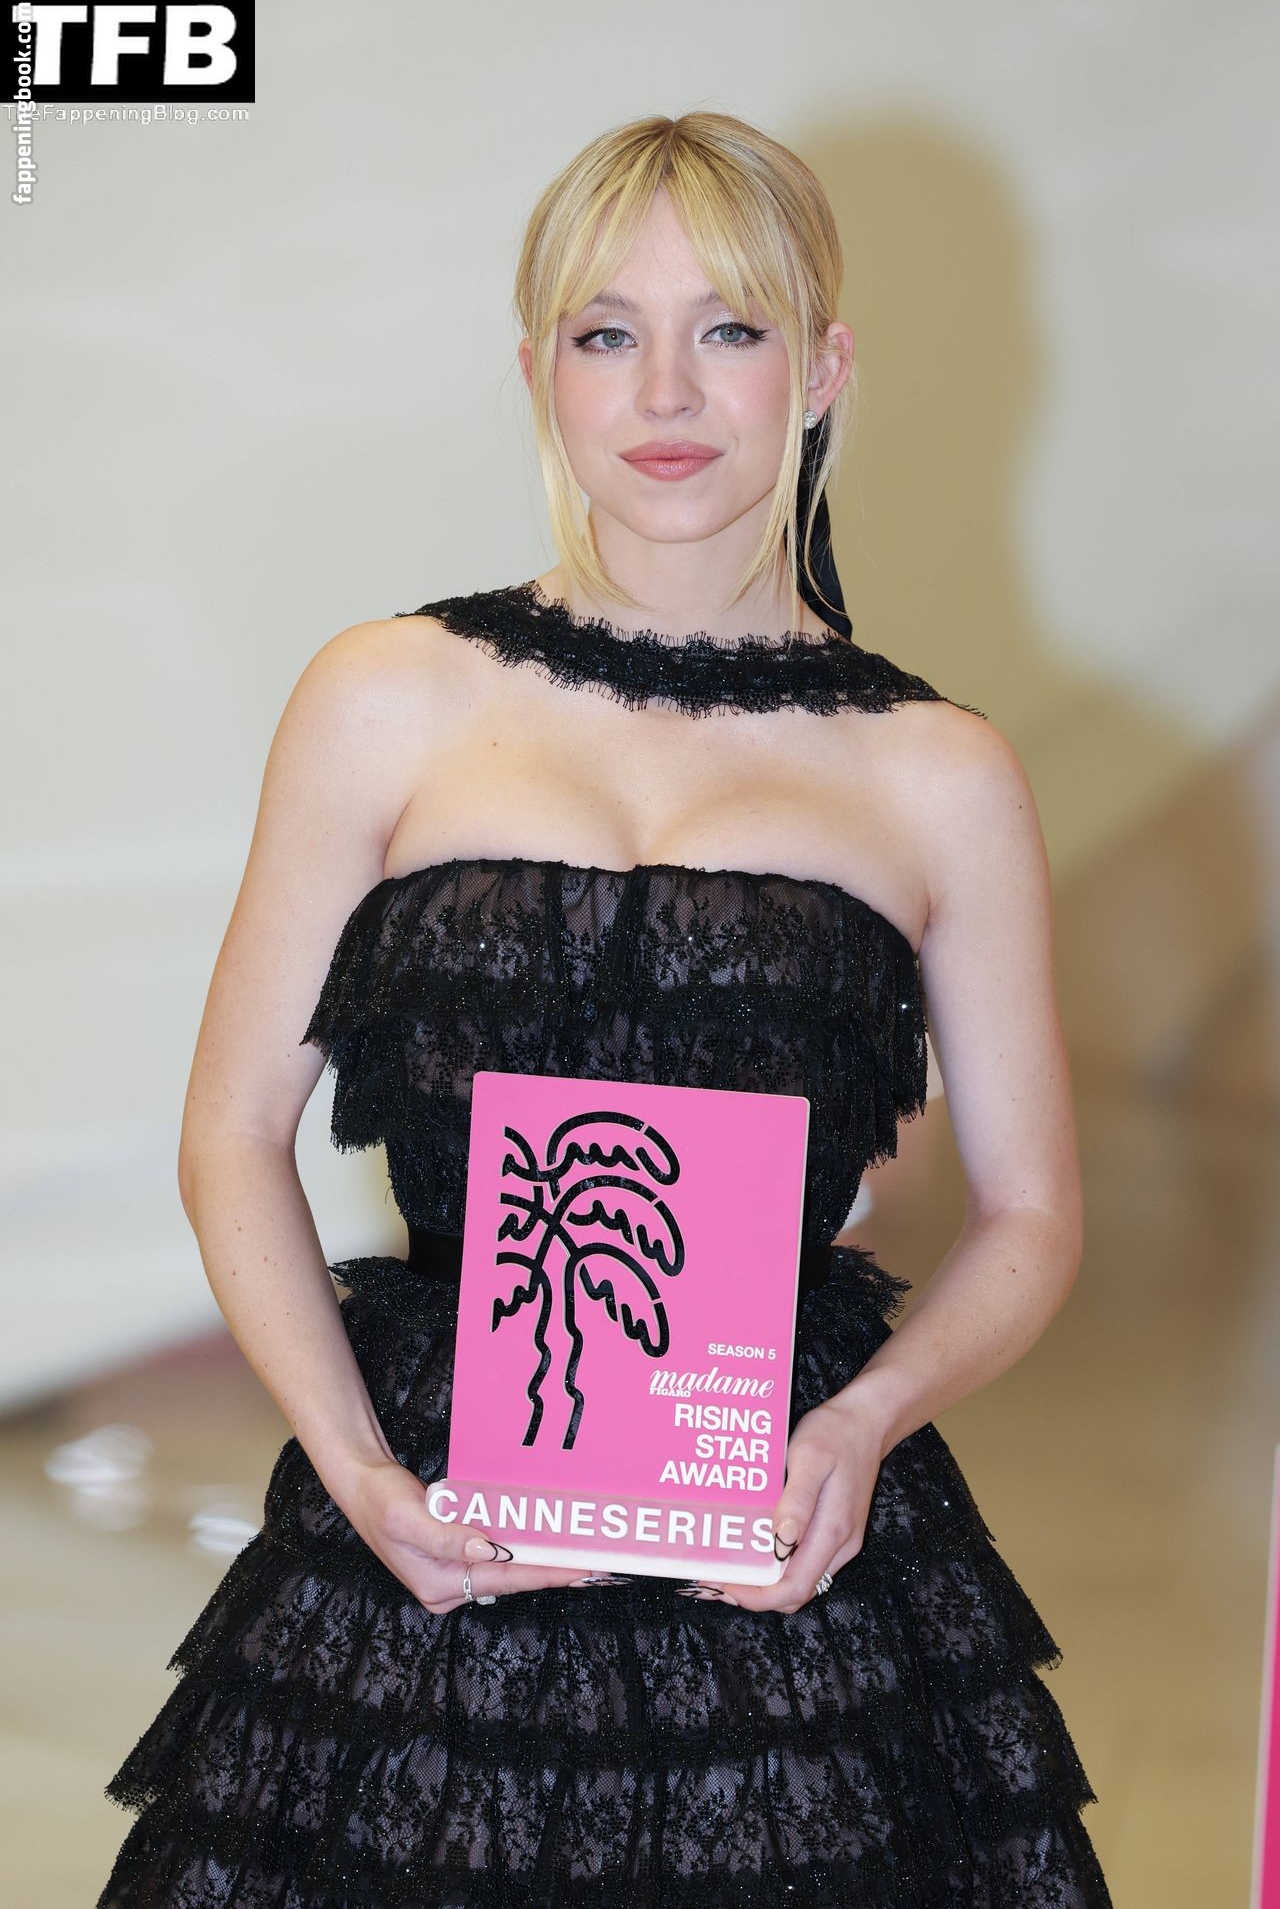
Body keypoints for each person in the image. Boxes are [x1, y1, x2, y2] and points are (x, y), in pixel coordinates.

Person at [96, 111, 1113, 1906]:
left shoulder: (941, 775)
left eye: (729, 329)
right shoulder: (385, 698)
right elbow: (232, 1131)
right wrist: (353, 1465)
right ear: (536, 374)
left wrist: (863, 1429)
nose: (666, 391)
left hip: (786, 1543)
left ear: (823, 369)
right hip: (431, 1522)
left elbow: (1033, 1213)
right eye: (604, 333)